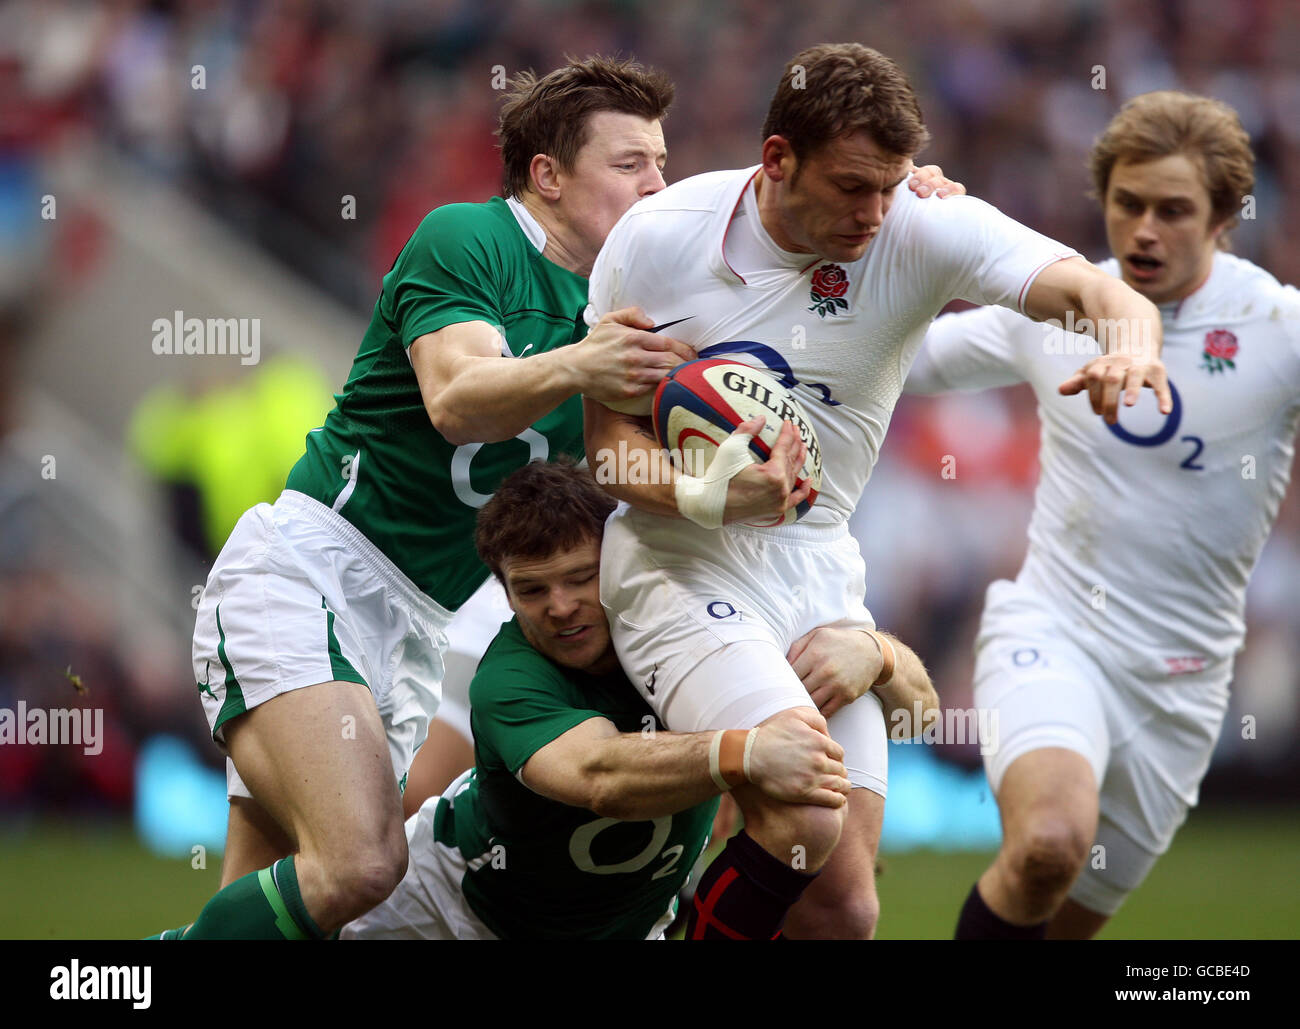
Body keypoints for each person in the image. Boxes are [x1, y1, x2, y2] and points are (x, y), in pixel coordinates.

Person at [583, 43, 1172, 940]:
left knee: (845, 911)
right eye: (854, 186)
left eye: (892, 185)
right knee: (802, 807)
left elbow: (1099, 289)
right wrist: (720, 496)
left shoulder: (920, 227)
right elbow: (607, 455)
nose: (876, 212)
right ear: (777, 158)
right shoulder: (661, 238)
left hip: (819, 570)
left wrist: (1131, 345)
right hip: (680, 561)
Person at [156, 56, 689, 940]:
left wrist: (909, 196)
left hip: (417, 619)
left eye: (661, 161)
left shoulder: (622, 301)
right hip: (314, 570)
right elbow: (457, 395)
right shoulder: (469, 239)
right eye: (629, 163)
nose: (658, 183)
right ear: (548, 175)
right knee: (364, 862)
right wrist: (583, 363)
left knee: (292, 900)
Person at [902, 91, 1300, 939]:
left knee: (1063, 926)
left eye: (1174, 210)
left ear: (1227, 216)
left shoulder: (1278, 328)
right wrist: (910, 240)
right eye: (1128, 204)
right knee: (1047, 845)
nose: (1145, 229)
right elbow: (896, 361)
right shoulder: (1053, 310)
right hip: (1055, 633)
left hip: (1183, 687)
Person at [344, 459, 935, 939]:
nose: (559, 606)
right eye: (531, 589)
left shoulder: (705, 634)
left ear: (621, 563)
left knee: (851, 913)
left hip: (625, 928)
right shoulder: (509, 677)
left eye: (580, 577)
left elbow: (921, 720)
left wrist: (879, 656)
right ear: (505, 592)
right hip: (445, 915)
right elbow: (600, 774)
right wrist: (747, 751)